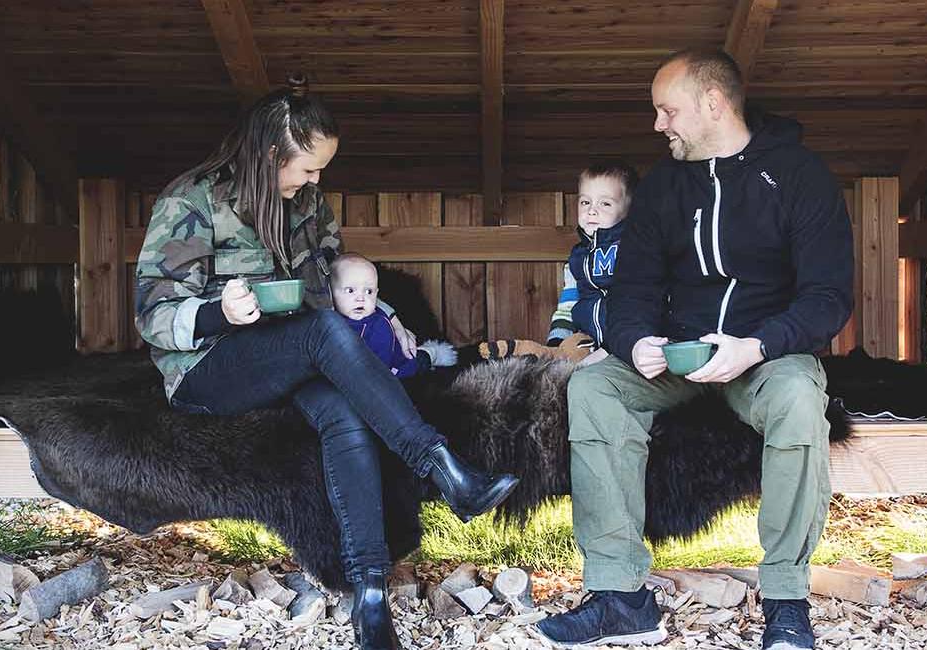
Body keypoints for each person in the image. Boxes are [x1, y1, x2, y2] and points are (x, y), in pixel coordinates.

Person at [134, 78, 519, 650]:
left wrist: (385, 313)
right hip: (208, 371)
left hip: (293, 362)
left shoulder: (307, 204)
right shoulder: (191, 200)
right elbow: (151, 312)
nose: (317, 181)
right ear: (270, 154)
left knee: (344, 410)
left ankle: (368, 596)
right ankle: (441, 466)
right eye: (309, 169)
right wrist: (221, 312)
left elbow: (336, 279)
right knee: (319, 332)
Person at [536, 49, 854, 650]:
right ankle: (619, 596)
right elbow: (632, 290)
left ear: (712, 104)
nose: (658, 125)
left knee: (797, 399)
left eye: (667, 110)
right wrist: (635, 341)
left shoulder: (798, 175)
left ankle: (787, 601)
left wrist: (755, 345)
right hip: (676, 356)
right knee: (592, 385)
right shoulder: (664, 186)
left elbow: (828, 298)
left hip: (764, 355)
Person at [477, 161, 639, 366]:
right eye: (585, 202)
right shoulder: (576, 259)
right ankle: (538, 355)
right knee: (559, 363)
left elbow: (639, 301)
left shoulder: (634, 249)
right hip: (587, 344)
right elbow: (567, 307)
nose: (592, 211)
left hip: (626, 342)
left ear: (629, 210)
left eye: (605, 203)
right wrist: (558, 342)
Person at [330, 253, 454, 378]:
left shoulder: (379, 326)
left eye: (369, 291)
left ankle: (431, 353)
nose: (361, 298)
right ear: (330, 292)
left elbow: (380, 371)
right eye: (350, 290)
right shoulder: (330, 322)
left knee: (414, 364)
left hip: (392, 365)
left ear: (376, 294)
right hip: (352, 371)